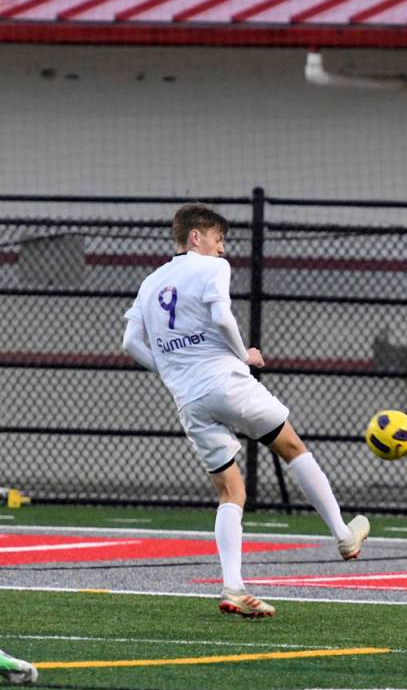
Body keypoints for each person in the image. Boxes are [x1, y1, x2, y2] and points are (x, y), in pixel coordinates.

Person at [122, 203, 369, 618]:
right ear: (196, 237)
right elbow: (221, 316)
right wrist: (246, 356)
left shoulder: (151, 282)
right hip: (225, 381)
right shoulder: (212, 268)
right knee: (292, 447)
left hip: (188, 399)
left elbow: (130, 343)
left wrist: (169, 371)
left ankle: (233, 585)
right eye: (218, 240)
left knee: (230, 492)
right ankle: (343, 535)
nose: (222, 250)